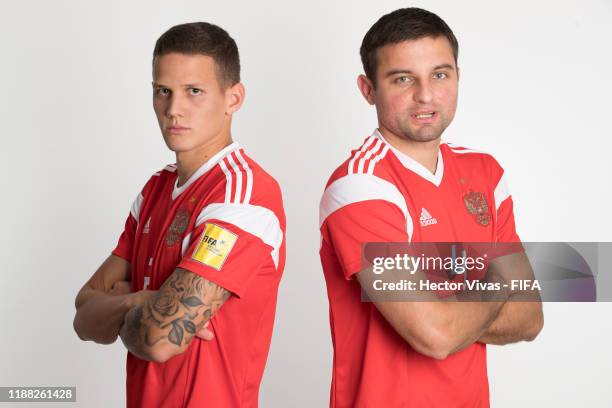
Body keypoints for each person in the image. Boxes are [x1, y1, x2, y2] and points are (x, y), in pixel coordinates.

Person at [319, 8, 543, 407]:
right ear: (367, 89)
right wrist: (499, 279)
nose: (425, 94)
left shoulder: (485, 174)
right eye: (403, 79)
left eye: (440, 75)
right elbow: (435, 336)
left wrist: (440, 305)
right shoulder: (359, 185)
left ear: (457, 76)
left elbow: (530, 318)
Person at [73, 22, 286, 407]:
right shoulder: (154, 189)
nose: (174, 109)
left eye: (194, 92)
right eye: (163, 92)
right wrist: (136, 302)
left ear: (233, 98)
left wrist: (124, 307)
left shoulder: (243, 195)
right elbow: (82, 316)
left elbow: (160, 339)